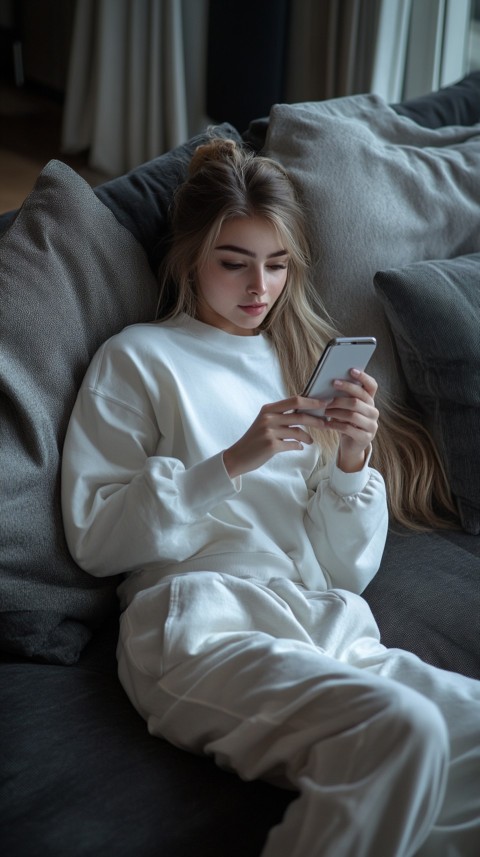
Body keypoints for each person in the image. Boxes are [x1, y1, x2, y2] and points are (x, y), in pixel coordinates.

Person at [61, 137, 480, 857]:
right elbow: (96, 538)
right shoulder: (137, 359)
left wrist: (351, 461)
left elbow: (345, 570)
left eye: (278, 264)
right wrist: (233, 459)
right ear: (190, 256)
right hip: (201, 620)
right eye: (235, 262)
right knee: (402, 731)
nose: (260, 286)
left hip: (323, 620)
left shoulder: (290, 364)